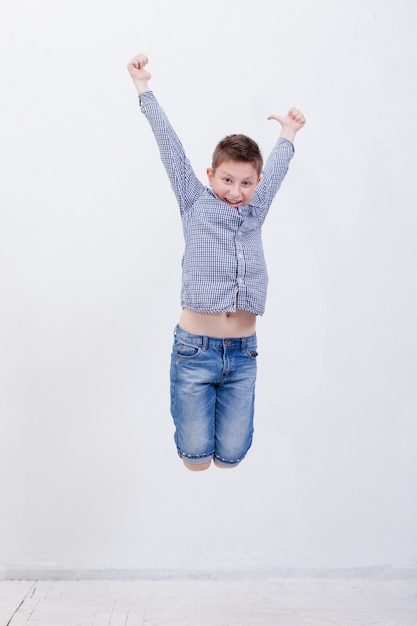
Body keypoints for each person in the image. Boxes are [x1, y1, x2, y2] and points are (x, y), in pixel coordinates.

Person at [127, 53, 306, 472]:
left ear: (256, 184)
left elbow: (277, 168)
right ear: (211, 175)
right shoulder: (193, 202)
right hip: (195, 350)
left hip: (243, 354)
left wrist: (289, 132)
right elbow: (167, 143)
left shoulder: (255, 211)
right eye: (227, 180)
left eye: (246, 183)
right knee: (195, 460)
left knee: (229, 459)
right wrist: (142, 87)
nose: (236, 191)